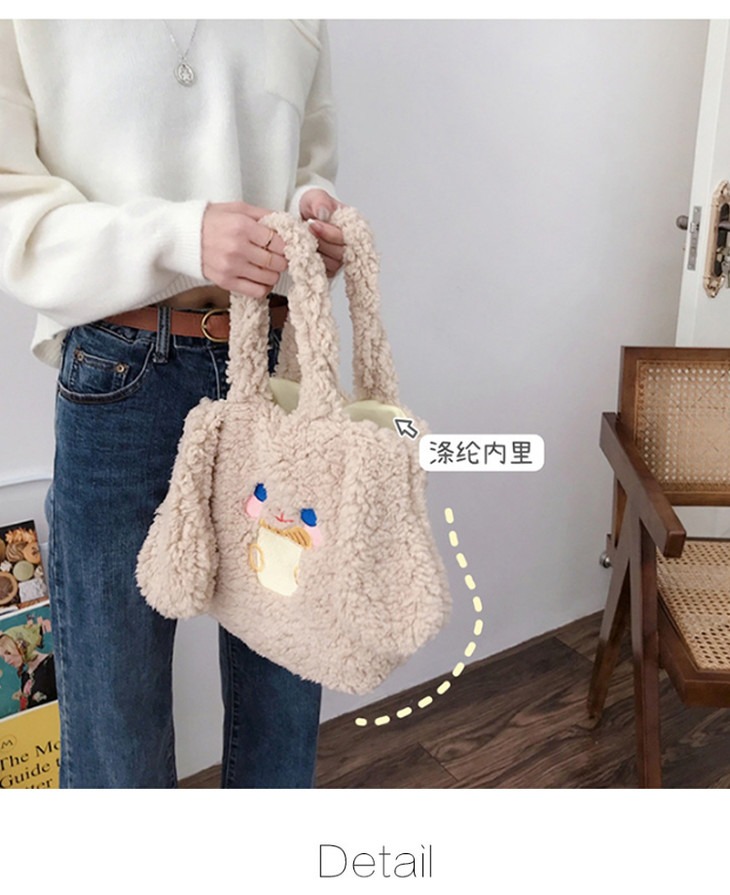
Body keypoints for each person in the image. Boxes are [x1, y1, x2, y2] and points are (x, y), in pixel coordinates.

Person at [0, 19, 345, 787]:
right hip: (121, 368)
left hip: (273, 367)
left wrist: (309, 217)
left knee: (286, 693)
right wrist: (179, 235)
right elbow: (9, 203)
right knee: (115, 728)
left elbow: (306, 163)